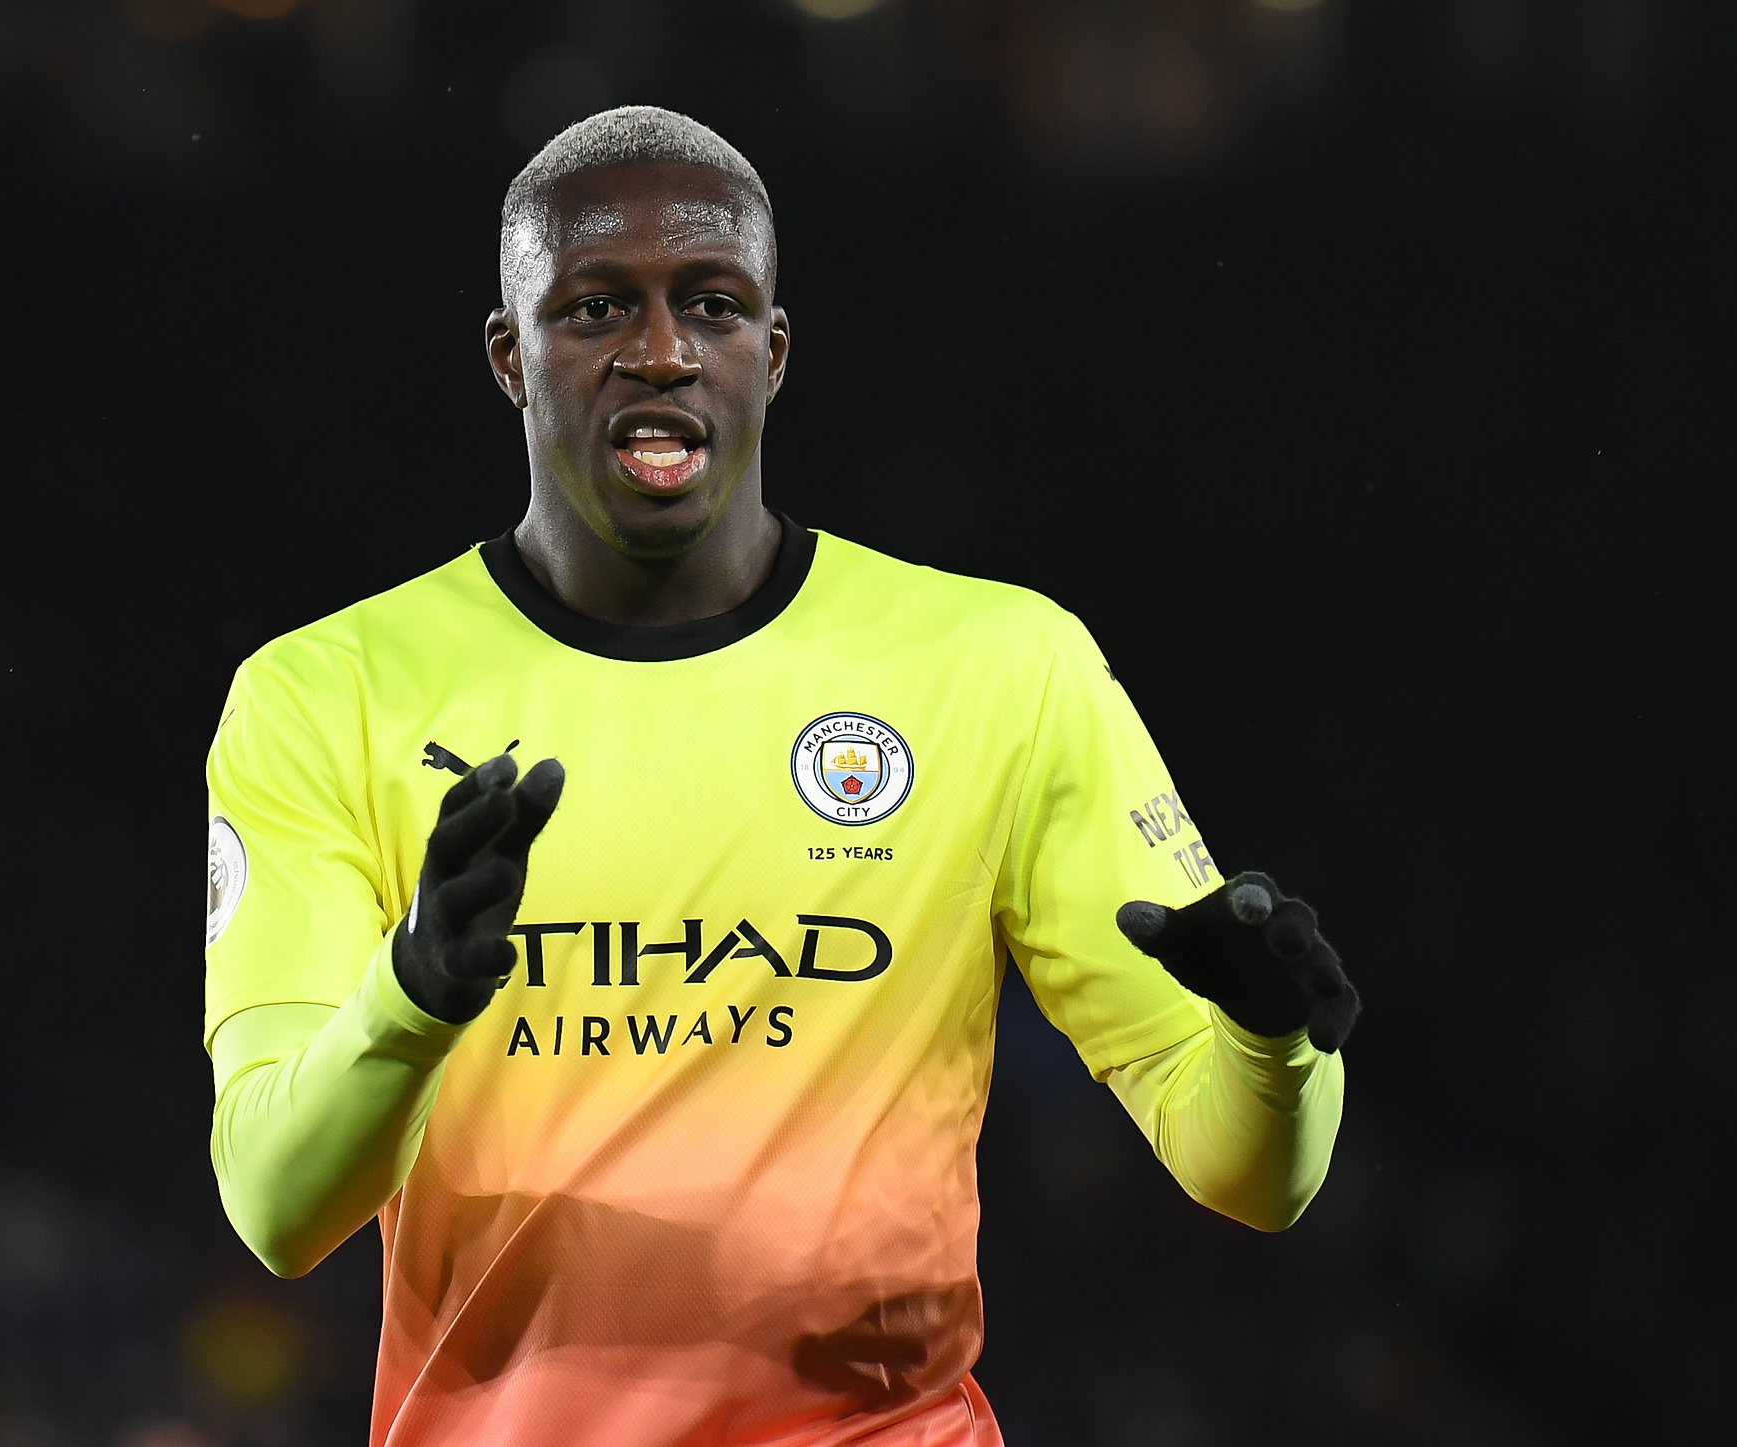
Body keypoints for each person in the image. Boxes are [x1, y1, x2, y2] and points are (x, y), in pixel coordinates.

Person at [202, 106, 1358, 1447]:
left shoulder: (998, 667)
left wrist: (1273, 1043)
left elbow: (1249, 1175)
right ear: (510, 357)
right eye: (594, 309)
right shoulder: (327, 696)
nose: (660, 351)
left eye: (711, 305)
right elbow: (275, 1206)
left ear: (774, 351)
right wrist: (411, 998)